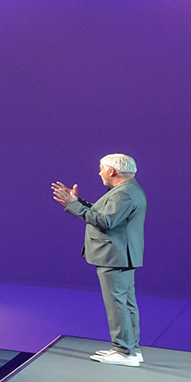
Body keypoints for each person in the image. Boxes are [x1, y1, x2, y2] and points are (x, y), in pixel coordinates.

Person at [54, 153, 148, 367]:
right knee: (126, 303)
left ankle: (124, 351)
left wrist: (73, 206)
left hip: (114, 256)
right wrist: (77, 202)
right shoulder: (128, 190)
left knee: (117, 304)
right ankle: (130, 348)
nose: (100, 173)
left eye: (102, 169)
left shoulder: (123, 194)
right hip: (122, 255)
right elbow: (103, 212)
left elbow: (105, 221)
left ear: (112, 171)